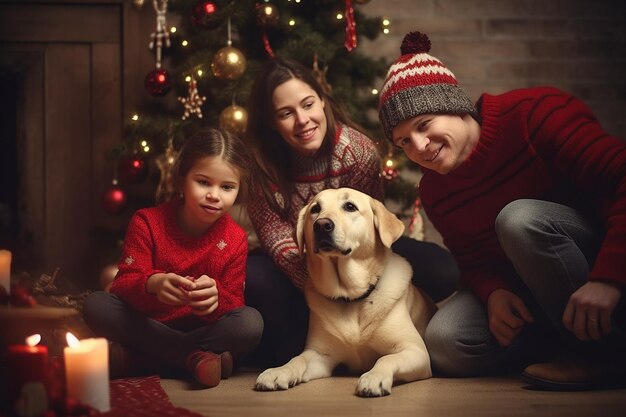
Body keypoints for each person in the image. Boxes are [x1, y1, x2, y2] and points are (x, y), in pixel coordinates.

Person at [377, 30, 626, 390]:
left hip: (596, 263)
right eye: (403, 142)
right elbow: (472, 258)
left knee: (518, 218)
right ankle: (558, 342)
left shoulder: (534, 114)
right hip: (527, 286)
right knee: (446, 342)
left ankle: (600, 355)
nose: (419, 147)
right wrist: (492, 291)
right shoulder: (434, 190)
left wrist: (608, 277)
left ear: (454, 105)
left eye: (424, 125)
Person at [243, 57, 460, 367]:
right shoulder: (258, 165)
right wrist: (321, 285)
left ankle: (402, 325)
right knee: (254, 276)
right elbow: (277, 239)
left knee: (441, 268)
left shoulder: (356, 150)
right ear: (271, 122)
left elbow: (369, 223)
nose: (302, 120)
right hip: (299, 256)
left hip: (357, 246)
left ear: (322, 100)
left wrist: (356, 288)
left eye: (308, 105)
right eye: (286, 113)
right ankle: (305, 335)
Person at [83, 128, 263, 388]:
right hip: (147, 324)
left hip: (199, 328)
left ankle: (136, 361)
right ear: (182, 180)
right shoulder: (147, 222)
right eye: (203, 182)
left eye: (227, 187)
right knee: (96, 304)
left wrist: (216, 298)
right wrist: (152, 284)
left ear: (238, 190)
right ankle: (193, 358)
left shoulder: (234, 238)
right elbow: (122, 286)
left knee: (250, 323)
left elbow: (234, 303)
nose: (214, 194)